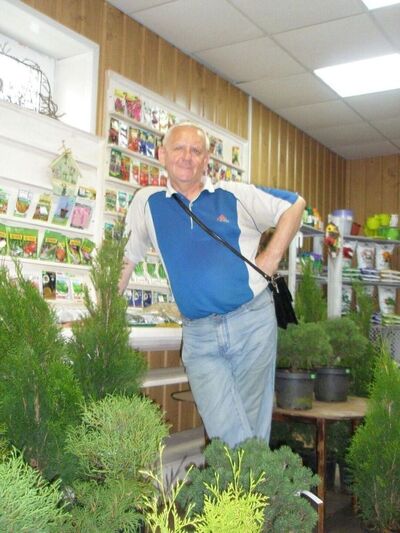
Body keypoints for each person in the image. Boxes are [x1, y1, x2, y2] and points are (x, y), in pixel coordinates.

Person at [119, 121, 306, 448]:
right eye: (179, 148)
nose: (187, 156)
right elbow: (125, 259)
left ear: (206, 159)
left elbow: (294, 204)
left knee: (251, 424)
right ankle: (258, 478)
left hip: (252, 324)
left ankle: (249, 480)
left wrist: (272, 257)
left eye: (196, 150)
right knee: (224, 430)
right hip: (199, 335)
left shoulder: (234, 195)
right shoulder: (147, 203)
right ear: (162, 155)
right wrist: (103, 311)